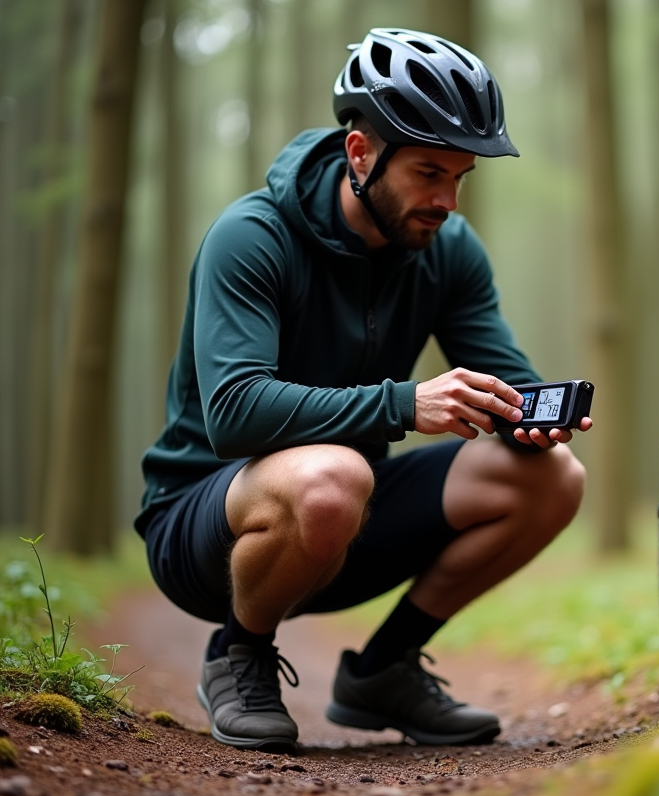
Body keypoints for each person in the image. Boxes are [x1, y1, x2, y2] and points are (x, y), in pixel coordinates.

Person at [134, 28, 589, 753]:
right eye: (428, 174)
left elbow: (503, 377)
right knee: (331, 475)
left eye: (460, 177)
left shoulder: (448, 252)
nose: (446, 201)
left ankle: (383, 671)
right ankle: (239, 655)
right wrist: (405, 404)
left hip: (349, 519)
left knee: (552, 477)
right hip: (208, 531)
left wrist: (530, 416)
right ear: (360, 155)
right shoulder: (252, 237)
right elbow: (234, 415)